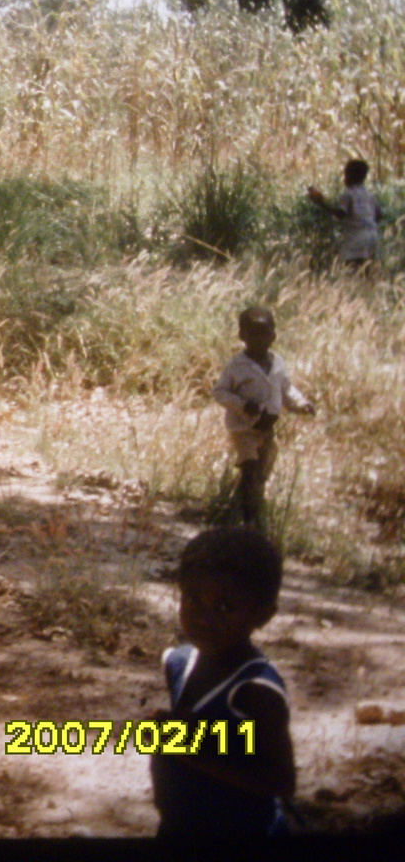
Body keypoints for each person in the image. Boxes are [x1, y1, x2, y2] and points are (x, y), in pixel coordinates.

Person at [150, 526, 296, 837]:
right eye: (192, 599)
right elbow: (210, 735)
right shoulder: (179, 662)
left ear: (263, 615)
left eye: (224, 607)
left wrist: (193, 753)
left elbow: (281, 781)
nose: (203, 618)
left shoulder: (256, 690)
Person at [212, 306, 314, 526]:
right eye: (253, 334)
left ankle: (236, 508)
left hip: (267, 427)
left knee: (261, 472)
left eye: (264, 333)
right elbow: (219, 392)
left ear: (274, 335)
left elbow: (286, 388)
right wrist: (241, 404)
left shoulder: (277, 362)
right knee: (249, 466)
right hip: (243, 428)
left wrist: (302, 404)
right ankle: (249, 520)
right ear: (242, 336)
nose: (259, 339)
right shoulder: (237, 366)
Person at [307, 158, 380, 270]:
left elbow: (341, 214)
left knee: (352, 268)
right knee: (367, 270)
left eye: (346, 174)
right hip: (372, 236)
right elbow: (379, 215)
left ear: (350, 175)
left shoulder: (348, 194)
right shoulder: (369, 194)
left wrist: (321, 204)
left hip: (356, 237)